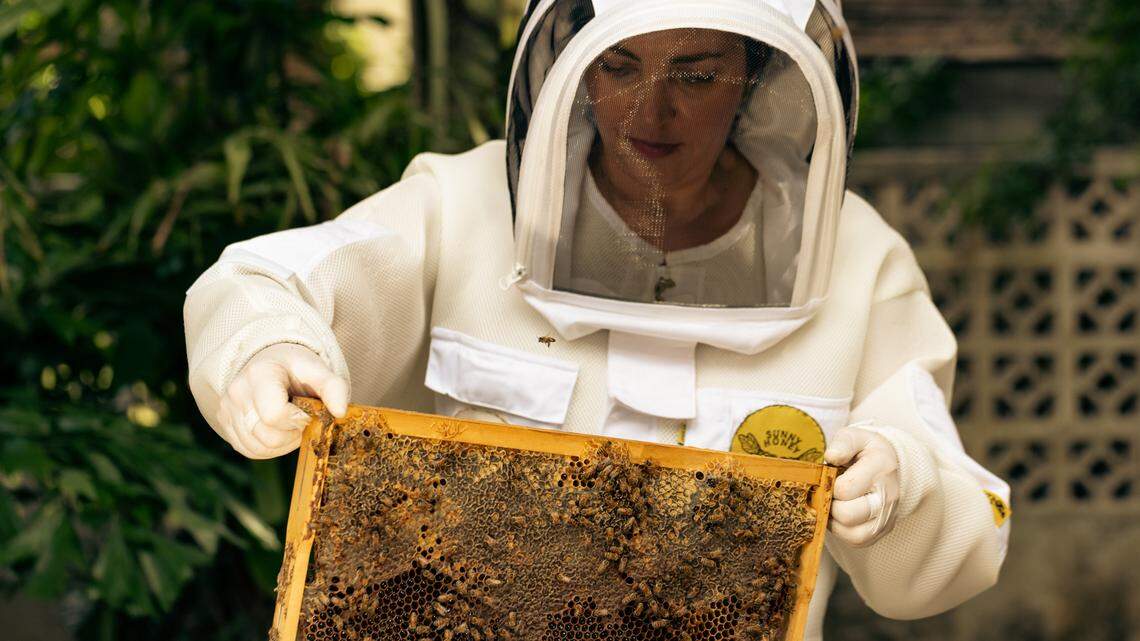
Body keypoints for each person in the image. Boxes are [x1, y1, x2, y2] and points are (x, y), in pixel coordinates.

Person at [183, 0, 1010, 637]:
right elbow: (268, 278)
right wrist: (263, 344)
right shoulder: (462, 203)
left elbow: (957, 543)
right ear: (573, 67)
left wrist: (900, 485)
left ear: (757, 75)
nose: (650, 114)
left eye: (695, 75)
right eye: (619, 66)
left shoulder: (861, 257)